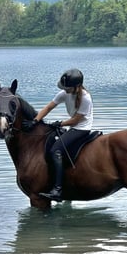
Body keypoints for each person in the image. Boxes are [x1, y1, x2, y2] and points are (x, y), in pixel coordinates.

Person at [31, 68, 94, 201]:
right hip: (73, 127)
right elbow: (48, 107)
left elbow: (77, 120)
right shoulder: (64, 94)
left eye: (68, 88)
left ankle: (58, 190)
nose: (65, 90)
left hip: (82, 128)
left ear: (77, 86)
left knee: (55, 150)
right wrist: (35, 120)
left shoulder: (85, 98)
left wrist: (60, 124)